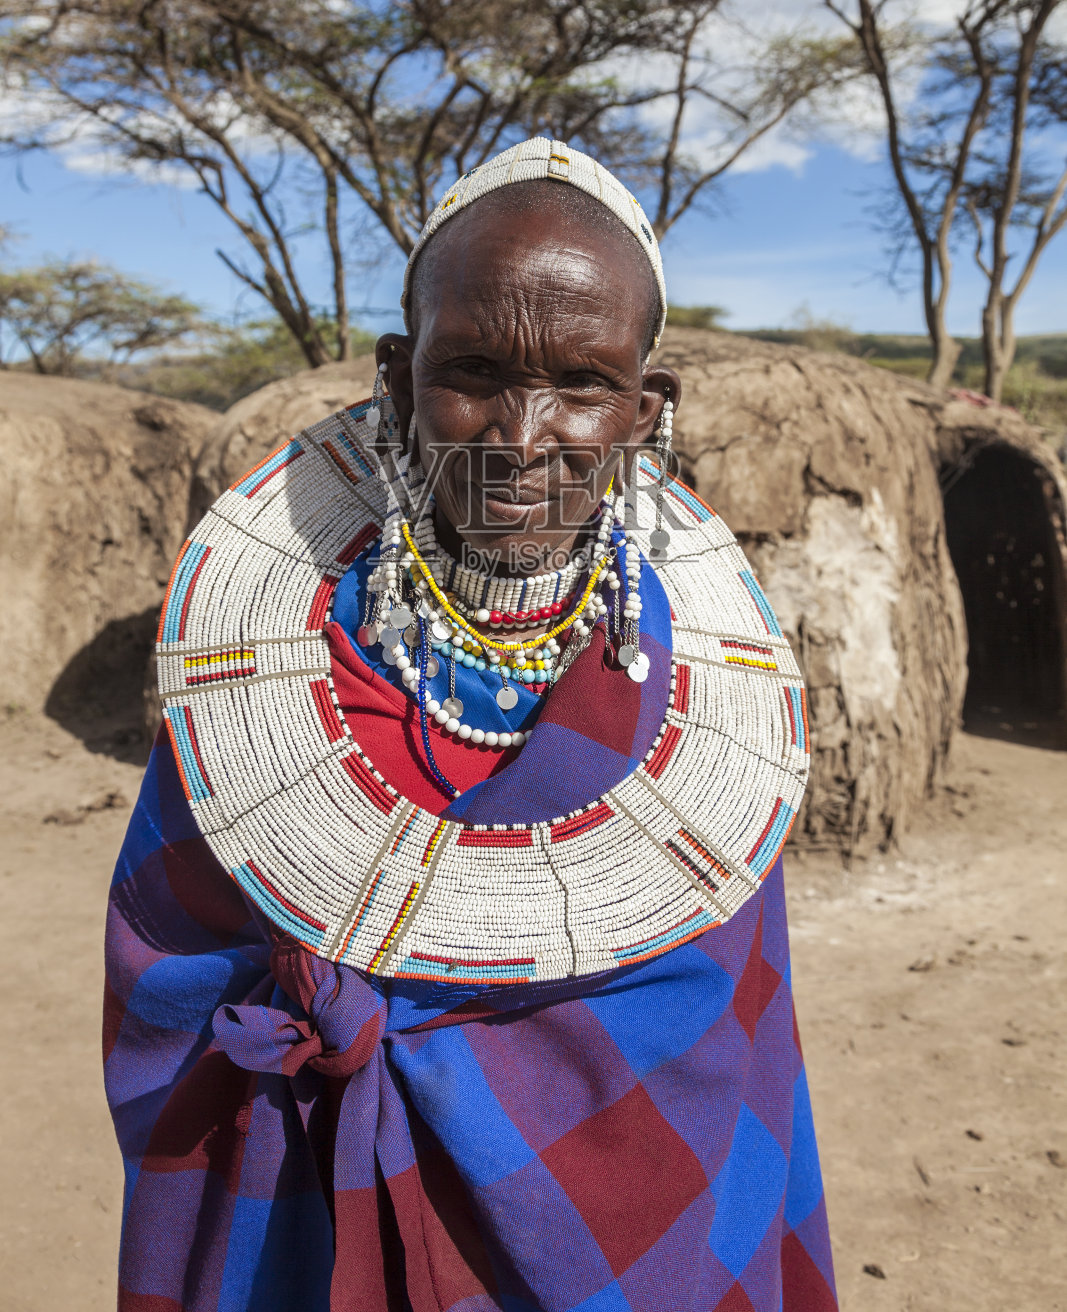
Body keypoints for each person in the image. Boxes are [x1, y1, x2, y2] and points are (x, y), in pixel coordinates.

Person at [105, 137, 837, 1312]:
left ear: (646, 411)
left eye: (583, 384)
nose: (519, 434)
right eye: (475, 370)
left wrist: (383, 1026)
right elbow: (165, 972)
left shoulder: (705, 710)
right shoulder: (252, 679)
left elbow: (715, 1040)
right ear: (395, 378)